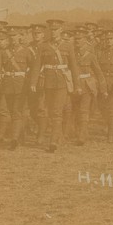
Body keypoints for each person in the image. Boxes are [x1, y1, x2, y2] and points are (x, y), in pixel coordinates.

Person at [30, 20, 76, 152]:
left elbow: (73, 66)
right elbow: (37, 65)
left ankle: (53, 142)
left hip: (62, 83)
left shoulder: (68, 46)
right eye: (52, 30)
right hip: (47, 83)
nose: (53, 32)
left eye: (56, 30)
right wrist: (33, 82)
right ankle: (58, 136)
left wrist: (77, 84)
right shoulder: (43, 46)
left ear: (61, 30)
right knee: (47, 111)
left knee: (56, 112)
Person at [70, 27, 105, 145]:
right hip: (74, 86)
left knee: (84, 110)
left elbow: (98, 72)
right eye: (76, 39)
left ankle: (82, 135)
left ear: (85, 39)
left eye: (79, 39)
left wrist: (103, 88)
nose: (77, 41)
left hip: (87, 86)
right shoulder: (71, 53)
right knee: (74, 110)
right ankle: (79, 131)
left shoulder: (90, 55)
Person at [0, 29, 32, 149]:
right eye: (11, 36)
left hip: (21, 85)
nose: (12, 38)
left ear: (20, 37)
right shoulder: (4, 52)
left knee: (17, 111)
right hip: (8, 85)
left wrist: (29, 83)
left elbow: (33, 68)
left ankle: (14, 139)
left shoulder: (26, 51)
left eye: (15, 35)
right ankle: (19, 135)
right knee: (10, 111)